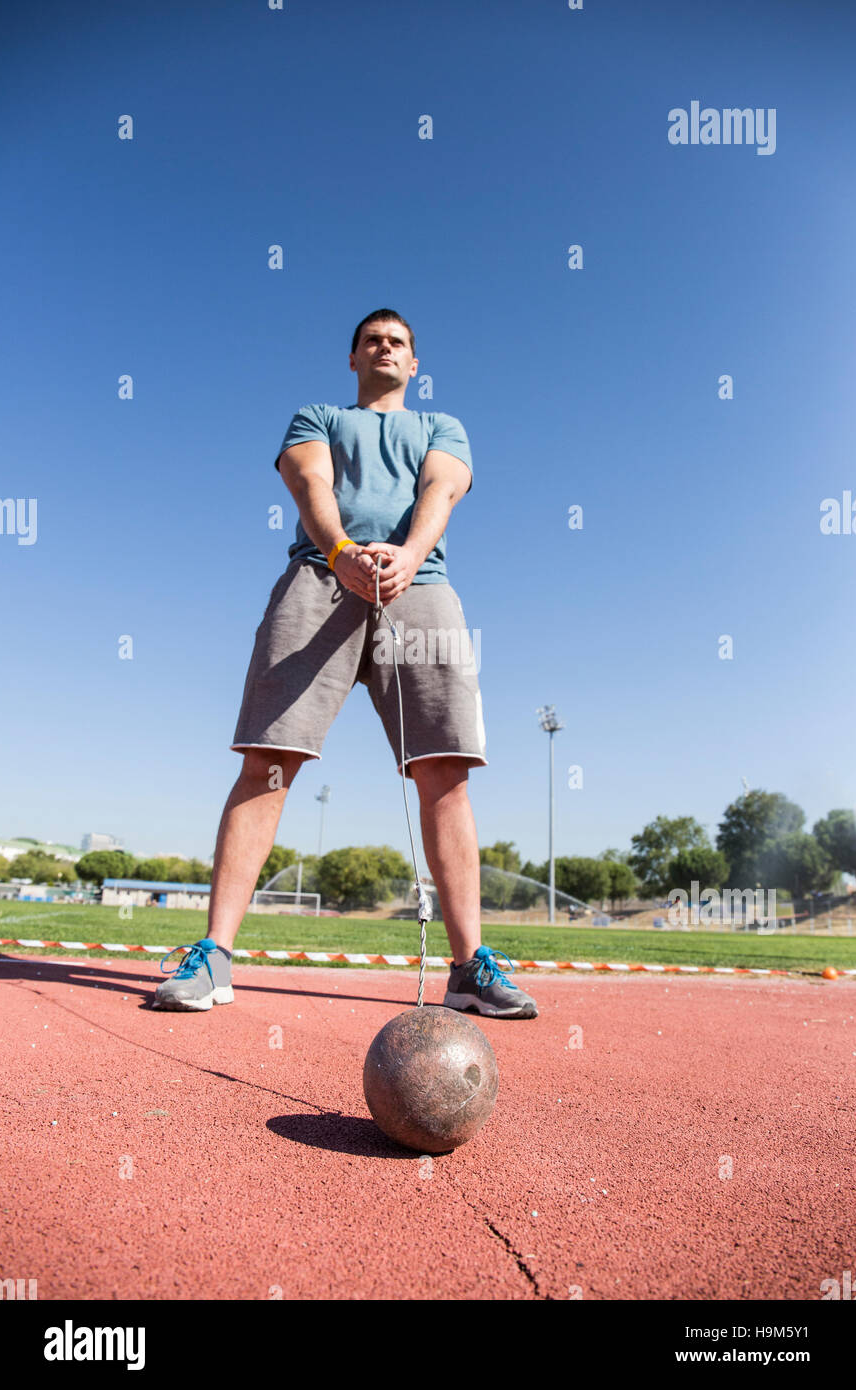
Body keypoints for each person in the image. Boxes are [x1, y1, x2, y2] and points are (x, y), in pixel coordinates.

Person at [153, 309, 537, 1020]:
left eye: (398, 342)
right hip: (320, 581)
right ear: (353, 357)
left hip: (419, 588)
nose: (384, 348)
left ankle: (466, 968)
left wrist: (408, 557)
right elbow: (310, 487)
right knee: (267, 760)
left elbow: (442, 491)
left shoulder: (441, 427)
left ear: (413, 364)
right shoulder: (319, 416)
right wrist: (341, 553)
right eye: (372, 340)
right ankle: (215, 956)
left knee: (445, 772)